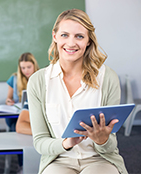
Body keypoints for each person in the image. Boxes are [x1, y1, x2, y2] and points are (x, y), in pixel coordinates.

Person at [27, 9, 127, 174]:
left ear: (88, 41)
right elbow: (40, 142)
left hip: (100, 159)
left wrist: (102, 140)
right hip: (58, 160)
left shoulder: (107, 77)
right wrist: (66, 143)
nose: (71, 43)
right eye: (64, 35)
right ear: (55, 36)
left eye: (79, 36)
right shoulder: (38, 81)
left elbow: (111, 145)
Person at [5, 52, 39, 131]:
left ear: (34, 65)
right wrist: (9, 101)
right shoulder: (14, 79)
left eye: (29, 67)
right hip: (18, 114)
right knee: (13, 124)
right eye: (23, 68)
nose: (26, 70)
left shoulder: (41, 77)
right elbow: (8, 99)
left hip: (34, 112)